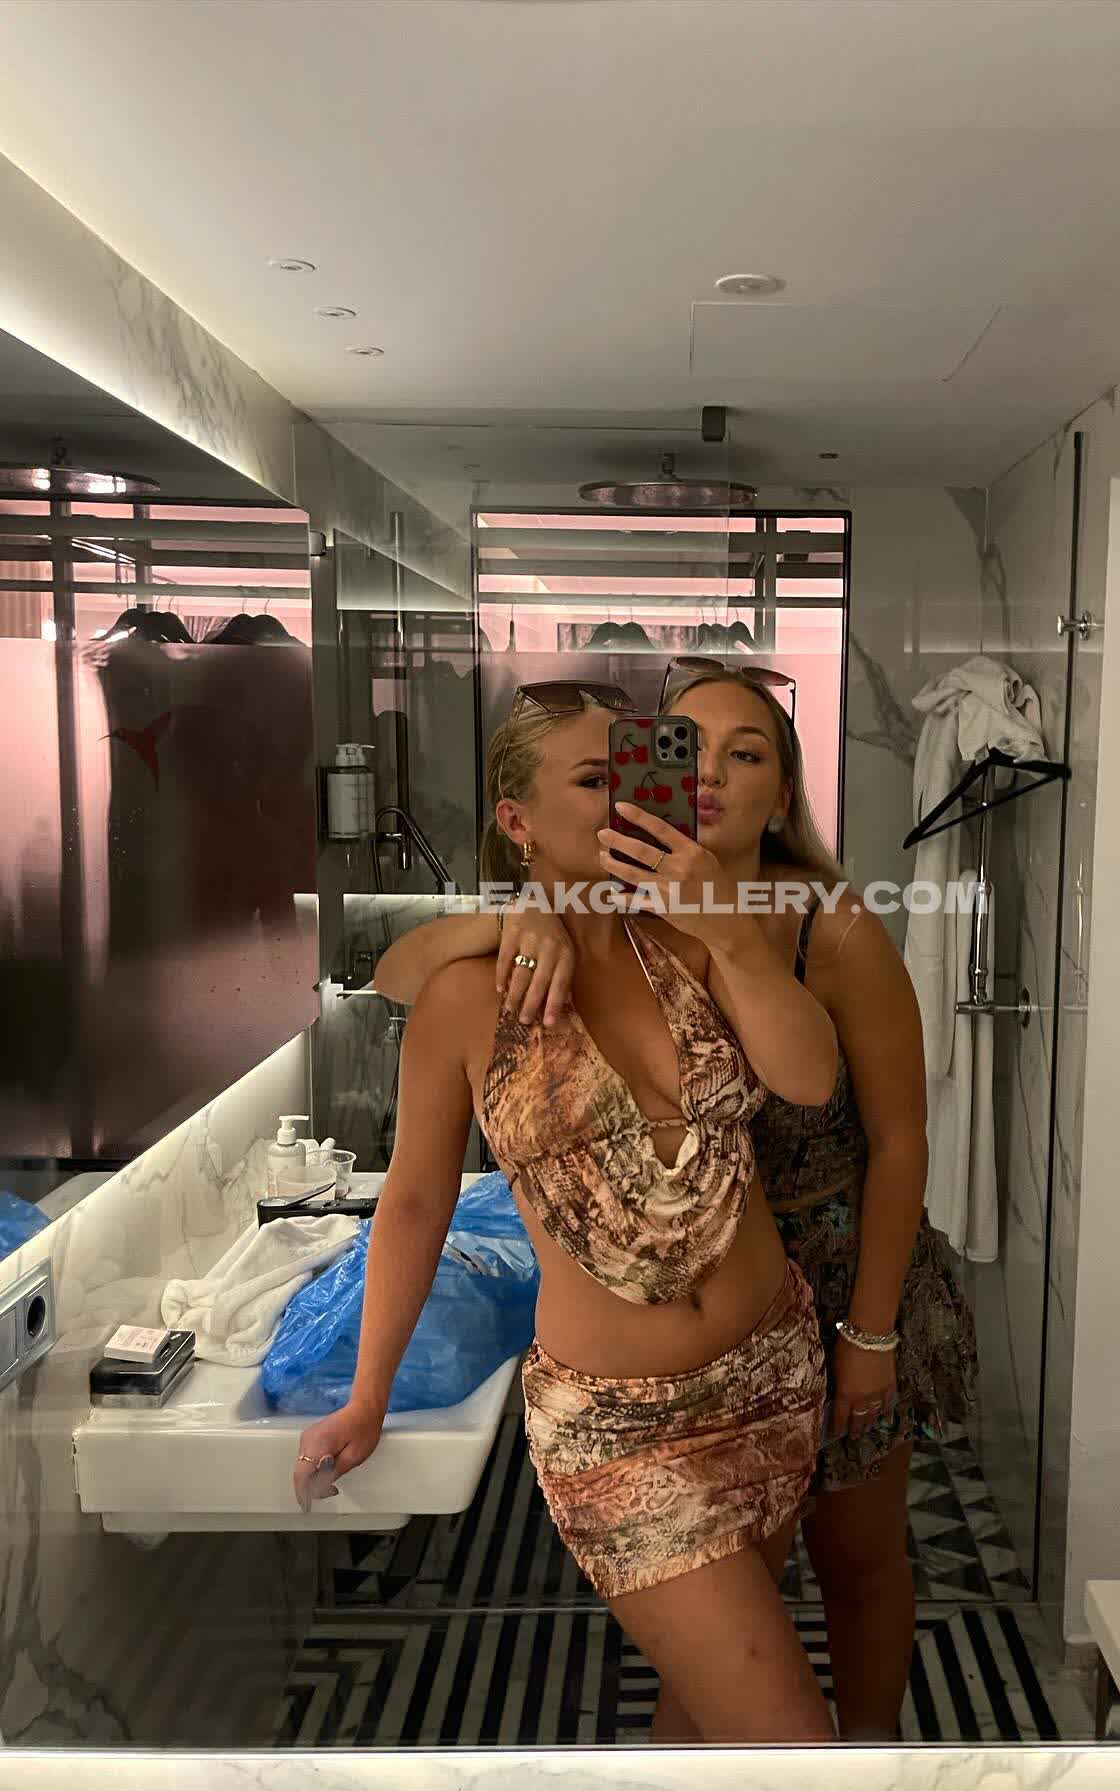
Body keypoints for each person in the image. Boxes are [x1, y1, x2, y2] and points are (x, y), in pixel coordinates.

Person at [374, 662, 978, 1740]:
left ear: (783, 792)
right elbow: (401, 1007)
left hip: (797, 1330)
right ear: (518, 819)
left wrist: (871, 1332)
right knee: (773, 1724)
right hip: (624, 1417)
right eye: (671, 756)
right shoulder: (566, 945)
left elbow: (856, 1111)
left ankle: (876, 1747)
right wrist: (516, 916)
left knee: (808, 1614)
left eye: (743, 755)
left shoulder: (747, 931)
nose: (690, 781)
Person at [297, 681, 841, 1744]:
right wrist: (368, 1395)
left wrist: (731, 935)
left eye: (633, 775)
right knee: (791, 1745)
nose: (626, 801)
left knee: (706, 1724)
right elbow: (415, 1201)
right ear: (517, 819)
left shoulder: (695, 938)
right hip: (620, 1430)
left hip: (771, 1377)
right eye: (595, 780)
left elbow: (810, 1075)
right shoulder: (468, 996)